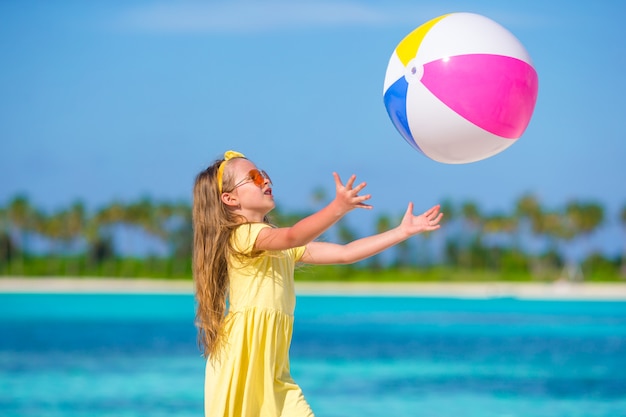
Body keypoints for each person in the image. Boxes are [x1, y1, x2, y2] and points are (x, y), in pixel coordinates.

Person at [192, 150, 443, 417]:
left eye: (264, 175)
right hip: (242, 362)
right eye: (254, 178)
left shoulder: (280, 248)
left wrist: (401, 232)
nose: (266, 181)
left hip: (273, 373)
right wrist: (338, 207)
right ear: (229, 199)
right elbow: (292, 236)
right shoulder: (242, 237)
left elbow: (345, 253)